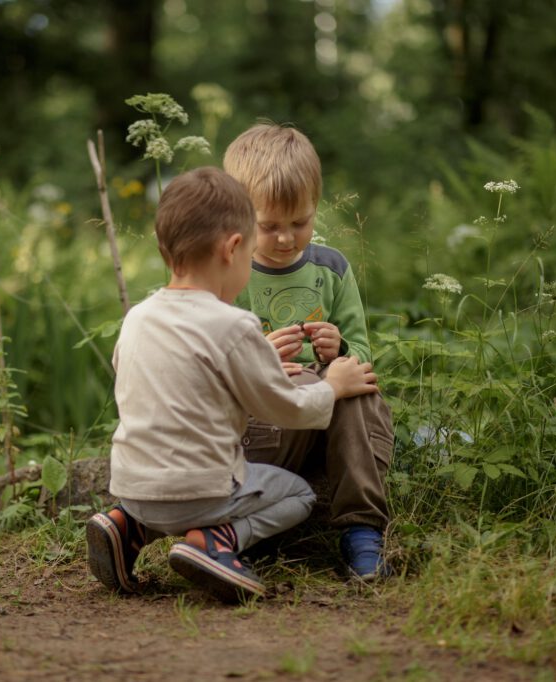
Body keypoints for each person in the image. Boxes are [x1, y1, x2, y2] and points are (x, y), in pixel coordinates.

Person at [86, 167, 381, 603]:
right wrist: (332, 385)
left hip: (133, 487)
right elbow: (289, 409)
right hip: (204, 492)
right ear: (233, 249)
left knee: (165, 491)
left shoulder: (137, 319)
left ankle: (128, 526)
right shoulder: (233, 325)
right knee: (297, 496)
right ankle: (216, 541)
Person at [222, 123, 395, 580]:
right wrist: (258, 355)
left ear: (315, 207)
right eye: (269, 227)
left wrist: (339, 347)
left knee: (358, 387)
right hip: (265, 426)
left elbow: (362, 353)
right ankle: (247, 528)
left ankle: (362, 532)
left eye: (300, 222)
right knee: (305, 385)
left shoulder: (332, 268)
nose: (286, 239)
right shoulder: (229, 269)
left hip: (329, 415)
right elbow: (210, 361)